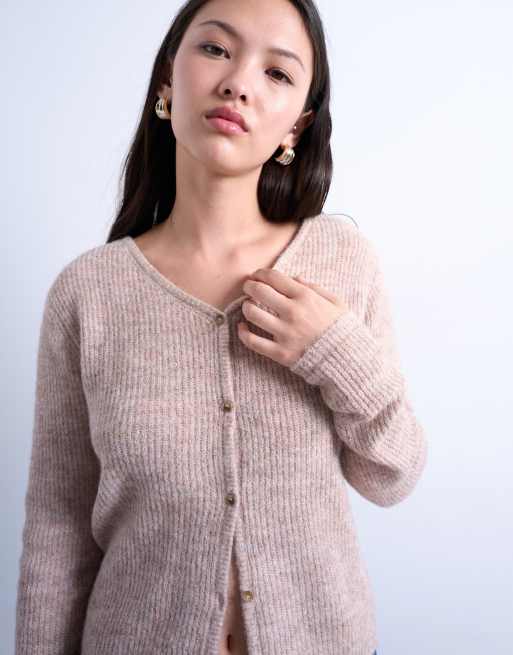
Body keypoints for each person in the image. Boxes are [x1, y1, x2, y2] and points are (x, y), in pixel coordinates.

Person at [15, 0, 428, 653]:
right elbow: (58, 531)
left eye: (277, 73)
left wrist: (335, 351)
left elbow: (393, 475)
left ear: (298, 125)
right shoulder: (88, 295)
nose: (238, 83)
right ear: (166, 80)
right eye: (215, 49)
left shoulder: (342, 262)